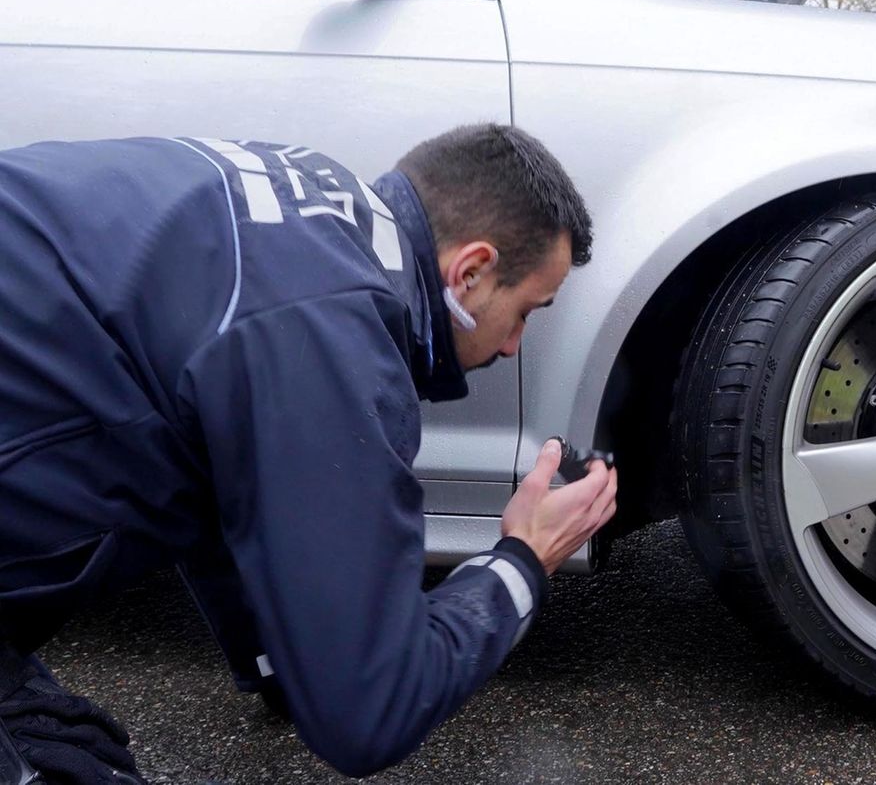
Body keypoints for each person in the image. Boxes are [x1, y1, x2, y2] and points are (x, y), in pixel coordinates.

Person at [0, 124, 618, 781]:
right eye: (527, 310)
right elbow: (370, 716)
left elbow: (224, 477)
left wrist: (290, 665)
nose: (516, 344)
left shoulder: (309, 218)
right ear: (471, 271)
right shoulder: (332, 333)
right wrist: (522, 560)